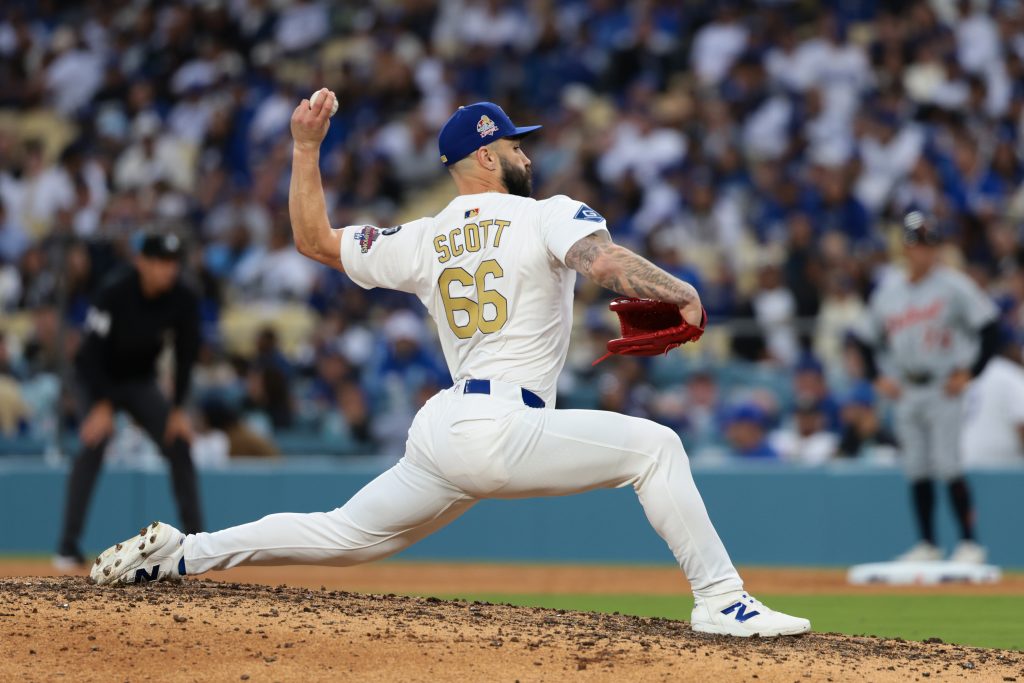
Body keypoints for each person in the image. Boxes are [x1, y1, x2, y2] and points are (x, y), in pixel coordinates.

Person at [90, 94, 809, 638]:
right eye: (518, 148)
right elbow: (604, 262)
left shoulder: (425, 236)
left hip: (445, 427)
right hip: (502, 428)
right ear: (489, 156)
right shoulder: (547, 212)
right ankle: (721, 598)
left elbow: (313, 239)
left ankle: (184, 553)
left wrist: (305, 150)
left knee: (344, 533)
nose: (529, 156)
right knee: (658, 447)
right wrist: (679, 287)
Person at [852, 211, 1000, 564]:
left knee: (948, 464)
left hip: (942, 385)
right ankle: (928, 544)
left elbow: (991, 328)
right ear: (905, 247)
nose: (923, 251)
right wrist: (877, 376)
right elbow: (863, 338)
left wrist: (972, 372)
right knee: (917, 467)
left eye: (929, 243)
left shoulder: (954, 285)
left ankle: (969, 543)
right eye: (917, 243)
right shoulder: (890, 291)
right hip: (906, 387)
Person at [55, 233, 203, 568]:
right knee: (94, 442)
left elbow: (186, 353)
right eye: (161, 262)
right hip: (96, 378)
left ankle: (196, 544)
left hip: (138, 380)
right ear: (142, 263)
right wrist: (101, 405)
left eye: (173, 263)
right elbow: (90, 355)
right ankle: (66, 547)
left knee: (178, 443)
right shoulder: (114, 292)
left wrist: (178, 408)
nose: (169, 270)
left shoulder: (182, 297)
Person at [960, 337, 1024, 469]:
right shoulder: (1009, 375)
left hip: (964, 464)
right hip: (1001, 470)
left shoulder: (965, 374)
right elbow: (1021, 424)